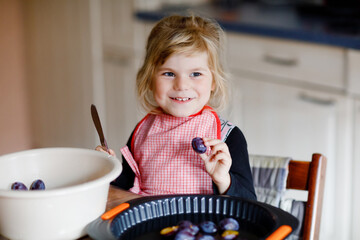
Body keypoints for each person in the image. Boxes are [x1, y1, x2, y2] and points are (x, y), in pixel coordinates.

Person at [96, 15, 256, 200]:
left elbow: (249, 204)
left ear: (213, 81)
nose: (181, 85)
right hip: (151, 225)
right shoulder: (142, 132)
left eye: (195, 73)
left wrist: (223, 180)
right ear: (150, 80)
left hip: (200, 226)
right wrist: (107, 169)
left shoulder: (228, 137)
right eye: (169, 73)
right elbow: (125, 188)